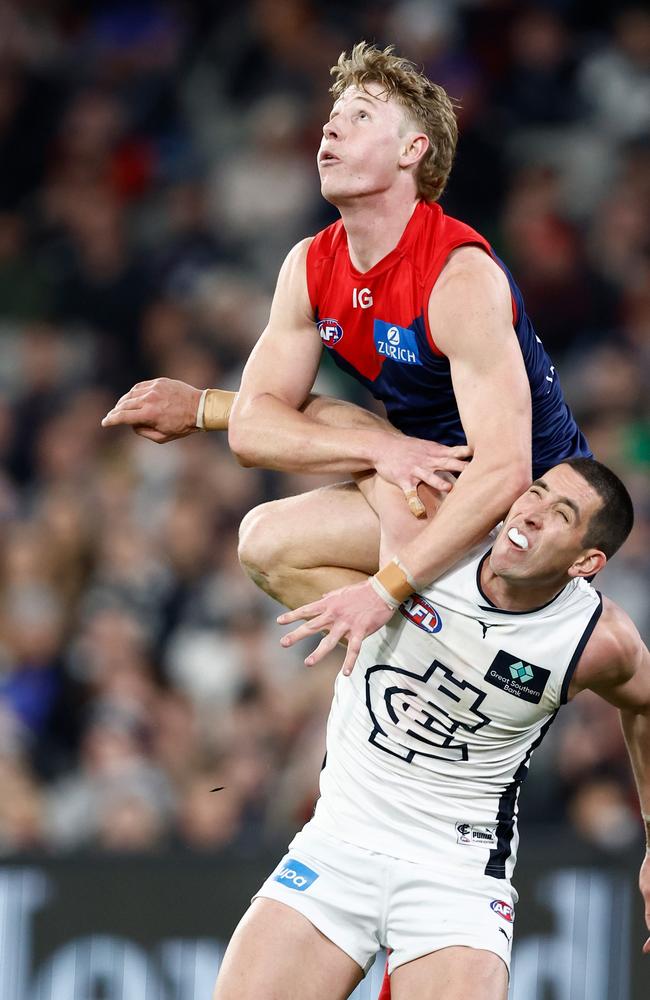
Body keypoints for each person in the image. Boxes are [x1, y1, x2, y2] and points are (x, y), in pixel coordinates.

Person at [101, 42, 593, 674]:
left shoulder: (457, 277)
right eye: (333, 114)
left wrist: (382, 588)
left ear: (411, 151)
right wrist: (381, 452)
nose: (330, 126)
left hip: (531, 516)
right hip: (424, 482)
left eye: (361, 115)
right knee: (265, 541)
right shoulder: (310, 265)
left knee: (338, 426)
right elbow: (255, 426)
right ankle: (438, 661)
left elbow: (506, 472)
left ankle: (445, 643)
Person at [212, 458, 650, 1000]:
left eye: (559, 513)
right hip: (340, 843)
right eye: (534, 492)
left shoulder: (595, 639)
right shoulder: (427, 538)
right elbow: (263, 543)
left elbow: (646, 705)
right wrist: (380, 448)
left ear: (586, 561)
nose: (530, 514)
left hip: (458, 873)